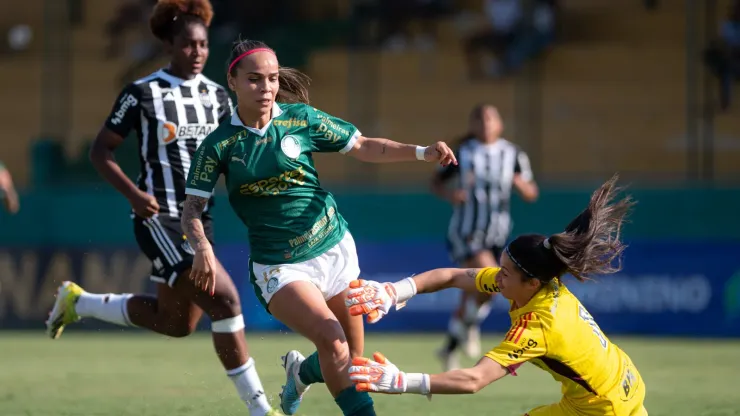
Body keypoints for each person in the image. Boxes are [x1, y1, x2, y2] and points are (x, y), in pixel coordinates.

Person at [181, 38, 457, 416]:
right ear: (232, 81)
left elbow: (364, 146)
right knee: (333, 340)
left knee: (350, 357)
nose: (265, 88)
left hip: (334, 247)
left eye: (273, 79)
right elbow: (192, 208)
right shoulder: (219, 144)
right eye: (254, 80)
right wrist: (202, 247)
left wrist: (421, 152)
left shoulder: (300, 119)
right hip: (281, 265)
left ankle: (300, 372)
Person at [44, 2, 279, 415]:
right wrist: (134, 196)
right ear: (169, 44)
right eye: (188, 45)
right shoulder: (142, 93)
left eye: (203, 45)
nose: (197, 52)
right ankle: (262, 410)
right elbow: (101, 151)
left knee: (176, 323)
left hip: (199, 221)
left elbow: (236, 152)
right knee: (225, 301)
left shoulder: (218, 97)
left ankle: (77, 303)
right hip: (161, 218)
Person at [346, 174, 648, 416]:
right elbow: (452, 276)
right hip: (624, 382)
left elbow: (474, 379)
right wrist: (394, 291)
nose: (495, 274)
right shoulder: (529, 280)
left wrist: (401, 382)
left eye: (504, 272)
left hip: (602, 408)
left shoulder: (538, 325)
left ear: (530, 283)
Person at [433, 104, 538, 370]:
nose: (485, 124)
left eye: (491, 118)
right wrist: (451, 195)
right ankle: (466, 329)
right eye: (479, 119)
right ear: (472, 125)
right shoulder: (463, 153)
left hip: (499, 233)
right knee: (491, 276)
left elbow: (531, 193)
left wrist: (520, 185)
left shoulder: (512, 154)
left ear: (500, 123)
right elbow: (436, 182)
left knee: (484, 291)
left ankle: (452, 344)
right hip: (467, 231)